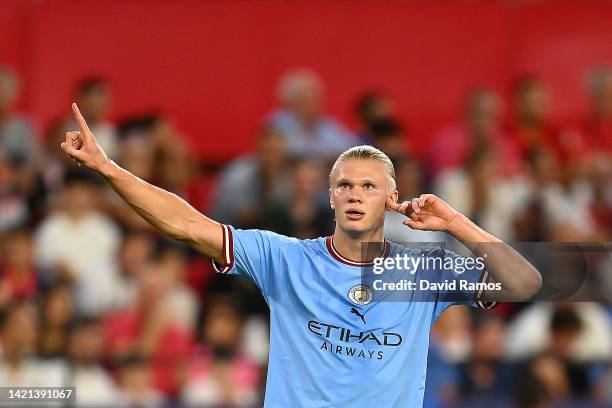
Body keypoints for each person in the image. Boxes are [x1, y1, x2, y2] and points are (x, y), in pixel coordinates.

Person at [61, 103, 541, 407]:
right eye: (345, 185)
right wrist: (109, 169)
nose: (355, 194)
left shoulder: (420, 271)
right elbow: (187, 224)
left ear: (391, 197)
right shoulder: (286, 259)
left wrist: (455, 222)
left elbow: (526, 284)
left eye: (369, 186)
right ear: (331, 198)